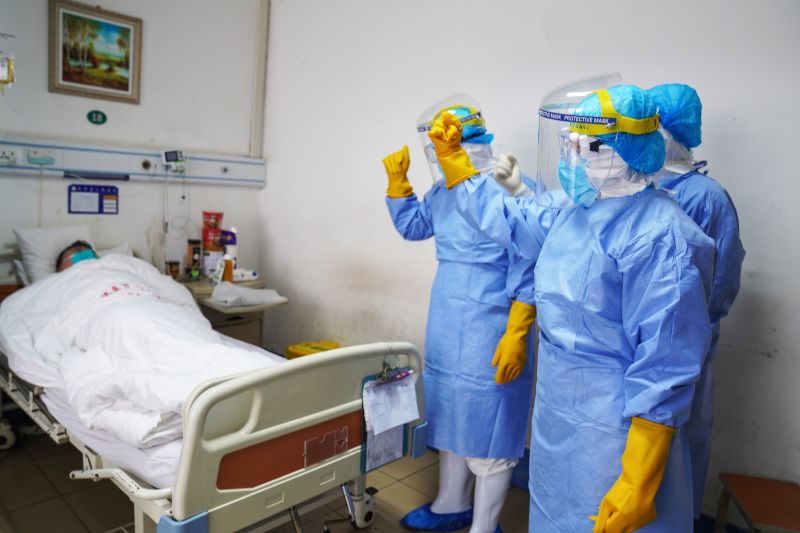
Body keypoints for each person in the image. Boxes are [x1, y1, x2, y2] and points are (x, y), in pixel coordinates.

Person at [432, 75, 716, 532]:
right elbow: (511, 218)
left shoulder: (661, 237)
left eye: (588, 147)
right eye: (570, 144)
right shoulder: (573, 210)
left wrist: (638, 482)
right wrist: (457, 166)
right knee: (554, 513)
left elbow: (665, 365)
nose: (573, 157)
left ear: (627, 152)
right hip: (558, 418)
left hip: (616, 431)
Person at [382, 94, 537, 533]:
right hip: (448, 318)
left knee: (491, 424)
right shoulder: (445, 189)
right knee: (450, 413)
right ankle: (451, 501)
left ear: (465, 143)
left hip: (494, 321)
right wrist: (398, 184)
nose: (436, 157)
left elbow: (530, 258)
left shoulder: (510, 183)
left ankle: (484, 526)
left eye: (442, 148)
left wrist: (518, 331)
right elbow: (415, 226)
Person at [648, 83, 745, 520]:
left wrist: (691, 328)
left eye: (653, 126)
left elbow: (722, 281)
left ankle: (681, 520)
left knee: (684, 436)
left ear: (671, 132)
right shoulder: (637, 191)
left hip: (688, 342)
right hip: (641, 340)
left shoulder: (708, 198)